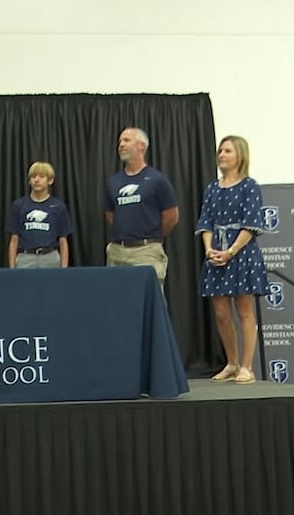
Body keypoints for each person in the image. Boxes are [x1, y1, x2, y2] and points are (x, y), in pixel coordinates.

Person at [195, 135, 270, 385]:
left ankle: (247, 367)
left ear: (240, 155)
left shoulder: (249, 186)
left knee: (244, 311)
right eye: (220, 151)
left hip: (241, 254)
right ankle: (232, 362)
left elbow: (251, 225)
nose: (222, 155)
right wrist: (209, 249)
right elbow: (205, 222)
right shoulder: (212, 188)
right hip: (216, 253)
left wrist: (231, 252)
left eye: (227, 151)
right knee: (221, 313)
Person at [104, 127, 180, 289]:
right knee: (117, 301)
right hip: (117, 252)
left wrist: (151, 235)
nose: (121, 145)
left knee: (150, 303)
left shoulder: (157, 180)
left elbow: (172, 216)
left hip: (147, 252)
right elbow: (110, 215)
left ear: (141, 146)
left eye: (126, 140)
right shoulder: (113, 182)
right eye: (120, 142)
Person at [7, 162, 72, 269]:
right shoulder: (18, 205)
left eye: (41, 177)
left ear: (50, 180)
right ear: (29, 180)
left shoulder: (58, 206)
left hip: (50, 257)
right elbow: (14, 239)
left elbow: (63, 240)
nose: (36, 180)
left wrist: (64, 268)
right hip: (25, 257)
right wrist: (12, 267)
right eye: (33, 177)